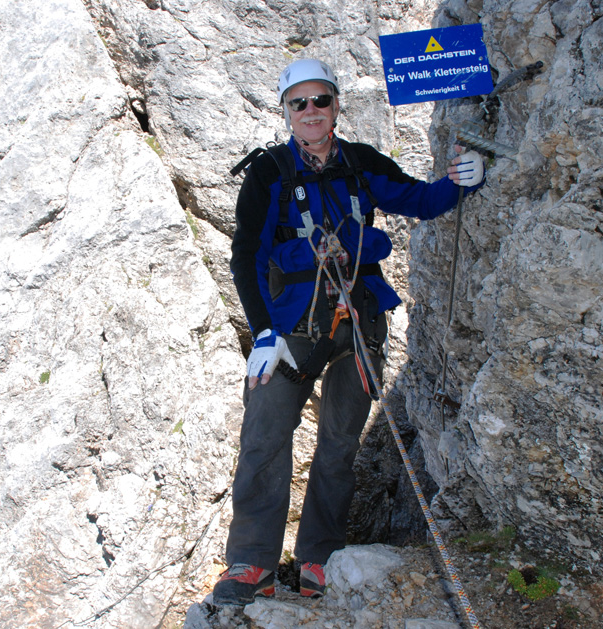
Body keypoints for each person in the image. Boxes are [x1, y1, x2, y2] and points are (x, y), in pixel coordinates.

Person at [213, 58, 485, 606]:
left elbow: (419, 201)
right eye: (300, 103)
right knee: (264, 441)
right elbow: (246, 256)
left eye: (321, 100)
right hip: (291, 331)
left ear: (336, 105)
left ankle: (319, 556)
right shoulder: (269, 174)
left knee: (339, 445)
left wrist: (458, 182)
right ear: (286, 111)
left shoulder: (361, 164)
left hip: (358, 323)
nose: (311, 111)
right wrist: (263, 332)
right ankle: (251, 563)